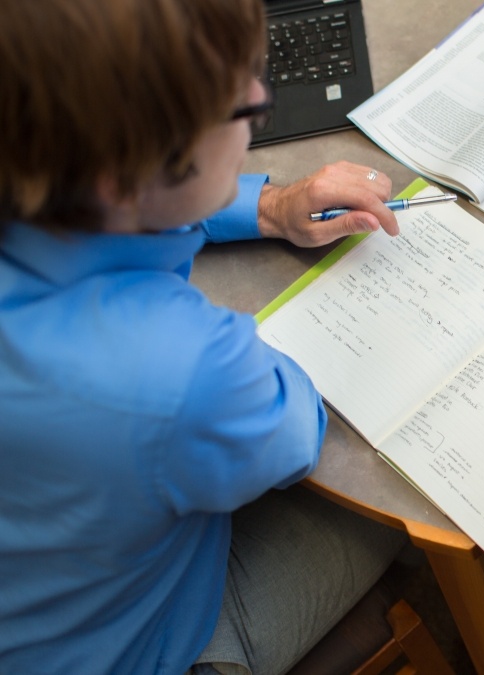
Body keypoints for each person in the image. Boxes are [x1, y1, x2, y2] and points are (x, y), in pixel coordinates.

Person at [0, 0, 412, 672]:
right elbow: (296, 432)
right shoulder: (183, 368)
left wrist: (270, 205)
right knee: (396, 511)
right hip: (134, 648)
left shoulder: (39, 166)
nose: (257, 100)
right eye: (239, 107)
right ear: (127, 171)